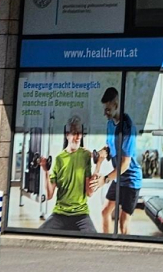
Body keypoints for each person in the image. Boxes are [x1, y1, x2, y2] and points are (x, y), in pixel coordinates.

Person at [39, 117, 96, 232]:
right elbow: (49, 195)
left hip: (81, 214)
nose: (78, 136)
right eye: (75, 133)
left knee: (94, 240)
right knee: (38, 236)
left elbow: (89, 193)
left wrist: (98, 164)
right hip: (60, 213)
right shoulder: (59, 159)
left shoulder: (85, 156)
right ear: (67, 135)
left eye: (80, 133)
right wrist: (46, 170)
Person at [100, 87, 141, 234]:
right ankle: (106, 246)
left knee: (123, 221)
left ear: (116, 105)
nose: (105, 113)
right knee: (105, 212)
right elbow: (109, 146)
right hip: (119, 178)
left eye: (108, 109)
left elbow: (125, 164)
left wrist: (104, 179)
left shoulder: (128, 127)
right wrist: (102, 152)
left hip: (130, 180)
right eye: (104, 109)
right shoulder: (110, 124)